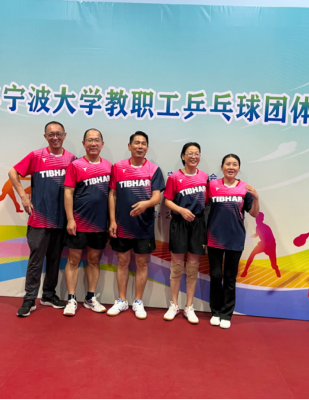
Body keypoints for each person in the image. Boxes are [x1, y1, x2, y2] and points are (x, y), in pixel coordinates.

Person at [11, 122, 76, 317]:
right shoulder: (36, 156)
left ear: (64, 136)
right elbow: (13, 172)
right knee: (36, 260)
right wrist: (23, 196)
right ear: (45, 136)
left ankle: (48, 295)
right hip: (39, 218)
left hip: (60, 219)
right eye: (51, 134)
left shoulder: (72, 159)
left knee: (55, 259)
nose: (55, 137)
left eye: (58, 134)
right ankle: (29, 299)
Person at [107, 131, 165, 320]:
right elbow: (112, 194)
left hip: (144, 226)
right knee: (122, 262)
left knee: (141, 263)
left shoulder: (154, 169)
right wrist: (112, 221)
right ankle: (122, 300)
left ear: (147, 147)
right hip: (122, 225)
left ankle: (138, 301)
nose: (140, 146)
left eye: (143, 143)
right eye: (137, 143)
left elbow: (157, 197)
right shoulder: (118, 167)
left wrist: (146, 204)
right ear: (129, 146)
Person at [206, 154, 260, 329]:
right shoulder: (212, 186)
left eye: (235, 164)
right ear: (222, 167)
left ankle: (226, 314)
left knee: (230, 277)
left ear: (238, 168)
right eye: (228, 164)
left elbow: (254, 213)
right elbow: (202, 205)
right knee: (215, 276)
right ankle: (215, 312)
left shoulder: (245, 188)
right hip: (214, 237)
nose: (231, 167)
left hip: (235, 238)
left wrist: (256, 197)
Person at [63, 129, 111, 317]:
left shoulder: (109, 167)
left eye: (97, 140)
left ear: (102, 144)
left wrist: (111, 221)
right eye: (89, 140)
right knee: (73, 260)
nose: (93, 143)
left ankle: (90, 298)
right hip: (78, 223)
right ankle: (71, 299)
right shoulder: (75, 165)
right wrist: (70, 219)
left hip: (99, 224)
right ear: (83, 144)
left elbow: (112, 196)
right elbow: (68, 193)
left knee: (93, 260)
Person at [163, 143, 208, 325]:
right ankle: (174, 305)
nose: (193, 156)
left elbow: (208, 201)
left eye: (197, 153)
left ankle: (189, 307)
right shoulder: (174, 177)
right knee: (176, 267)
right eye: (190, 153)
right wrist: (181, 210)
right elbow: (167, 201)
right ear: (183, 156)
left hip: (198, 224)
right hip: (179, 223)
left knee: (192, 268)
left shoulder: (204, 177)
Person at [241, 212, 281, 278]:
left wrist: (267, 246)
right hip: (262, 245)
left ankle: (276, 269)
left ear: (262, 219)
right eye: (256, 219)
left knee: (273, 265)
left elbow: (271, 239)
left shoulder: (266, 227)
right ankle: (245, 271)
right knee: (252, 255)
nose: (257, 220)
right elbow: (257, 234)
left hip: (270, 246)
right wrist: (250, 237)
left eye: (258, 219)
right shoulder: (257, 227)